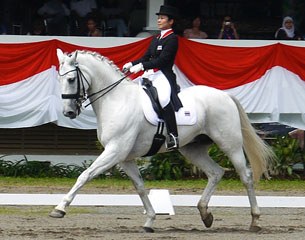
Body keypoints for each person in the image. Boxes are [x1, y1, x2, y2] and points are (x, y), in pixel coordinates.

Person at [122, 5, 182, 151]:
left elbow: (162, 61)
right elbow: (146, 57)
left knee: (163, 98)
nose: (159, 20)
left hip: (164, 75)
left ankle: (174, 136)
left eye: (162, 18)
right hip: (151, 74)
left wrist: (142, 66)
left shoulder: (172, 39)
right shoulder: (156, 39)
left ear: (170, 21)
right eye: (158, 18)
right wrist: (131, 63)